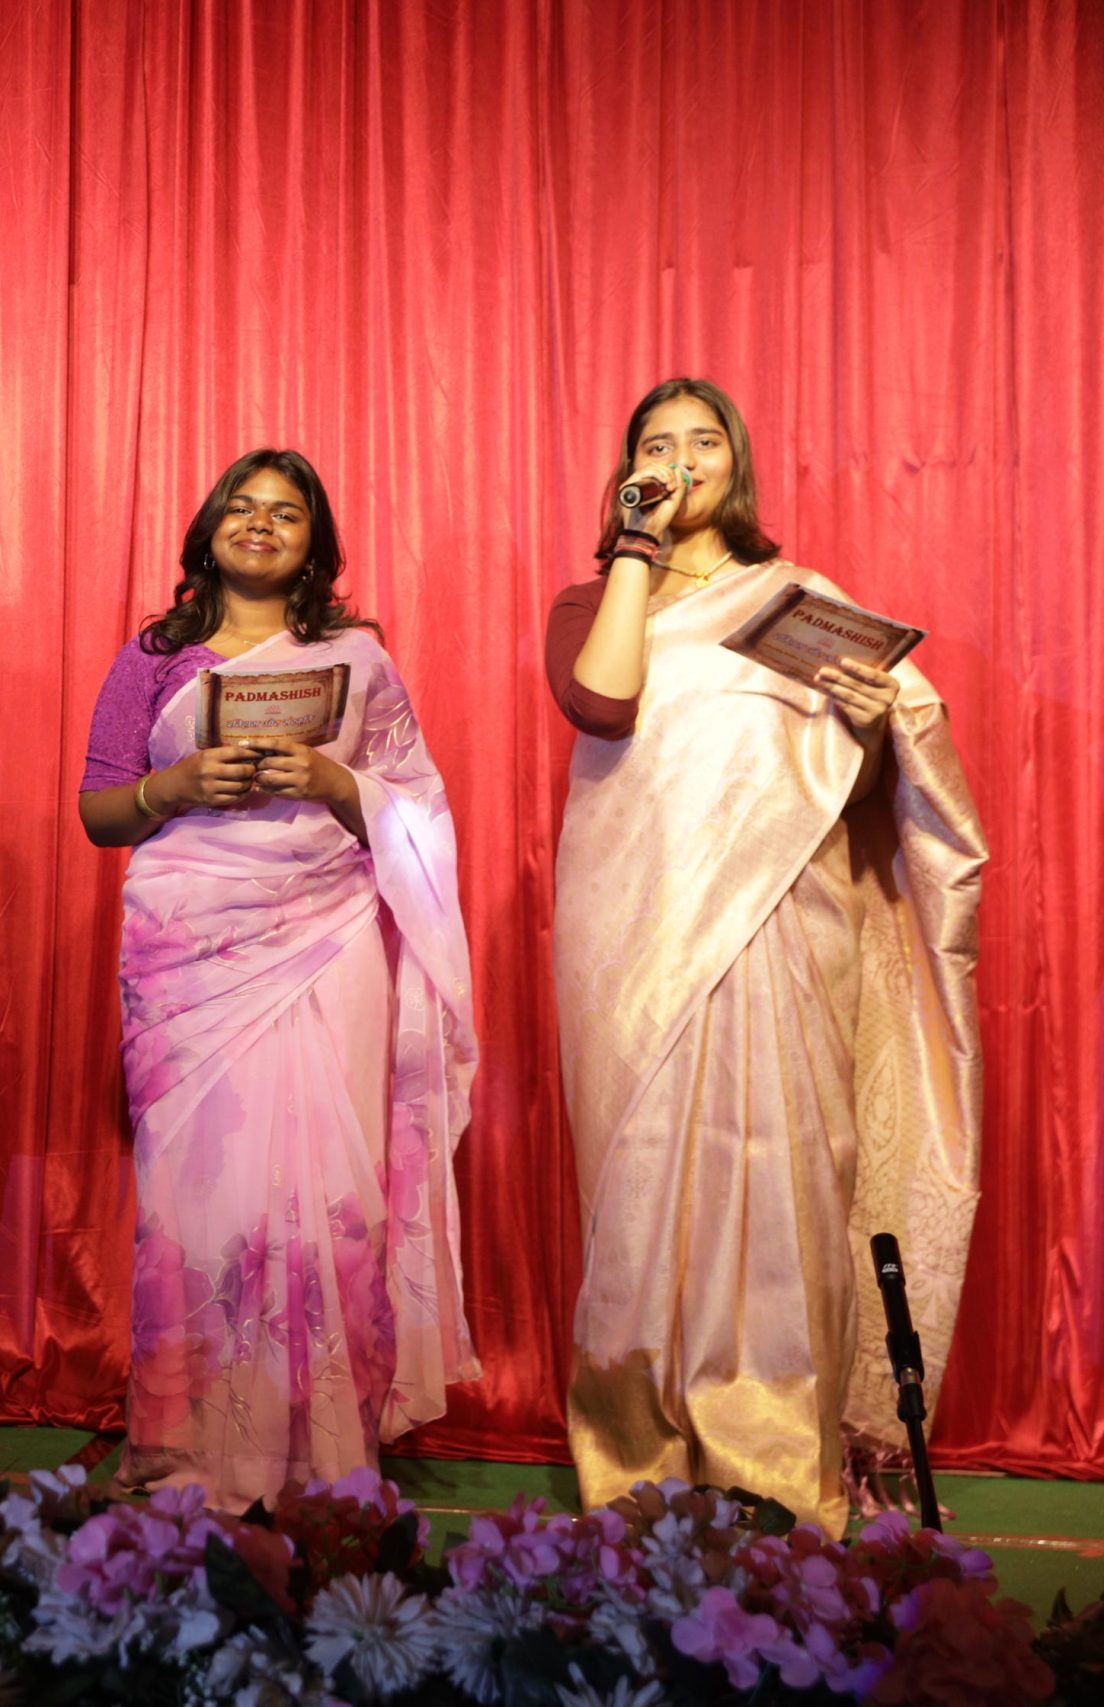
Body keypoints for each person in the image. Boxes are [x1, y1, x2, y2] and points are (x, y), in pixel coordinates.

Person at [549, 378, 986, 1532]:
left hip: (782, 922)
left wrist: (874, 721)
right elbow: (603, 704)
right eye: (656, 445)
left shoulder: (802, 603)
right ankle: (636, 1467)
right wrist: (634, 550)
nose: (681, 460)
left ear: (734, 465)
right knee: (643, 1195)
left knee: (784, 1184)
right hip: (634, 937)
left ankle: (779, 1475)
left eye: (703, 442)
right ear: (629, 468)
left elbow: (872, 777)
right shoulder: (592, 601)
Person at [77, 449, 479, 1508]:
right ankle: (193, 1447)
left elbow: (419, 811)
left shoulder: (357, 662)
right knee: (198, 1199)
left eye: (286, 513)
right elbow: (97, 810)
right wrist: (174, 785)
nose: (260, 523)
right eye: (242, 507)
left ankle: (323, 1451)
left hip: (326, 939)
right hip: (187, 954)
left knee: (332, 1193)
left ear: (315, 546)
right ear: (208, 531)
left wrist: (335, 781)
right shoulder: (154, 659)